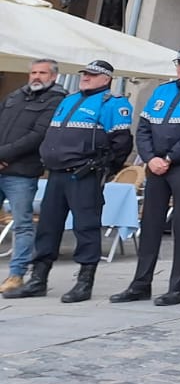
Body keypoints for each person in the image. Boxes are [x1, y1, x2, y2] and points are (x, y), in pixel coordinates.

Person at [3, 59, 131, 303]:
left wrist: (104, 169)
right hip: (56, 173)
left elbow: (122, 142)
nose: (86, 77)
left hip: (84, 174)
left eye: (93, 75)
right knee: (48, 227)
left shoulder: (113, 103)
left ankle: (84, 282)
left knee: (86, 227)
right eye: (85, 74)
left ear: (106, 79)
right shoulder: (69, 100)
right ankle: (38, 279)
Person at [111, 47, 180, 306]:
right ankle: (141, 283)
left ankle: (178, 287)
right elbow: (144, 128)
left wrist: (170, 158)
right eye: (179, 63)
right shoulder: (163, 90)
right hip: (156, 165)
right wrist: (150, 158)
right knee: (150, 225)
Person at [0, 59, 66, 294]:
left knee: (22, 224)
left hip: (22, 172)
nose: (37, 76)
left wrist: (3, 154)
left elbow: (38, 134)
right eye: (34, 72)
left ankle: (16, 275)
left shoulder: (57, 100)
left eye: (43, 73)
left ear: (54, 76)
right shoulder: (15, 96)